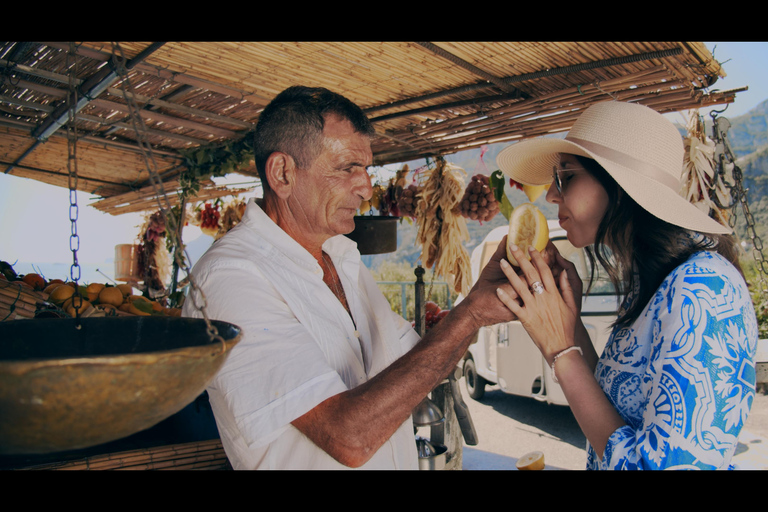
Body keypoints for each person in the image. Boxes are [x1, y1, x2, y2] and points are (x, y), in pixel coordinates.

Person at [182, 85, 517, 469]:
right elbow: (348, 438)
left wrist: (482, 298)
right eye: (347, 168)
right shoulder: (231, 278)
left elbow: (413, 363)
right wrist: (470, 316)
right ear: (283, 173)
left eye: (367, 169)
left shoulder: (342, 258)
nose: (366, 188)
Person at [494, 100, 758, 470]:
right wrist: (570, 330)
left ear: (618, 184)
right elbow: (618, 415)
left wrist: (561, 352)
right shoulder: (652, 282)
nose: (551, 195)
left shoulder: (704, 289)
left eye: (566, 177)